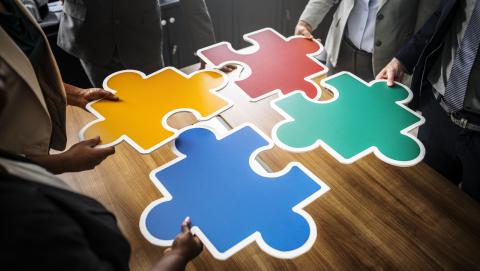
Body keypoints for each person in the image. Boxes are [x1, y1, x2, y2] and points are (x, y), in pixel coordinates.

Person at [377, 0, 480, 201]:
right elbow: (440, 17)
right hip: (437, 114)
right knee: (421, 195)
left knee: (471, 220)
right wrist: (402, 61)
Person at [0, 0, 118, 174]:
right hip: (15, 178)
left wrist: (78, 95)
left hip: (37, 144)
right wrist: (62, 163)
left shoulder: (12, 5)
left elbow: (25, 75)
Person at [58, 0, 232, 88]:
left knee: (155, 104)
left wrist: (209, 51)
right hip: (90, 37)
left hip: (142, 36)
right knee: (111, 111)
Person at [295, 0, 442, 82]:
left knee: (373, 127)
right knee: (332, 116)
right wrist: (306, 22)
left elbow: (425, 23)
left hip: (385, 68)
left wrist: (405, 65)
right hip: (339, 53)